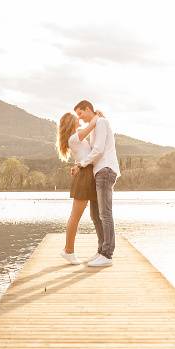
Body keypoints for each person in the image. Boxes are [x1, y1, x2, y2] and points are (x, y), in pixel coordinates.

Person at [71, 99, 120, 267]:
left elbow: (98, 150)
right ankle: (101, 250)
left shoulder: (101, 122)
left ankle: (107, 254)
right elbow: (91, 151)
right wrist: (80, 164)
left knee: (105, 213)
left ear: (88, 109)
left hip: (105, 171)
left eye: (80, 113)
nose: (80, 117)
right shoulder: (95, 125)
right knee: (95, 215)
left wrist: (81, 164)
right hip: (98, 173)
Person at [55, 109, 104, 265]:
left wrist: (77, 165)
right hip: (84, 177)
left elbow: (86, 153)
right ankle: (68, 251)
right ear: (71, 123)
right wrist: (96, 116)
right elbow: (90, 127)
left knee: (90, 215)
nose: (79, 119)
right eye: (76, 117)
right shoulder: (74, 138)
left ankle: (97, 249)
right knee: (75, 217)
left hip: (87, 174)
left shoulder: (77, 138)